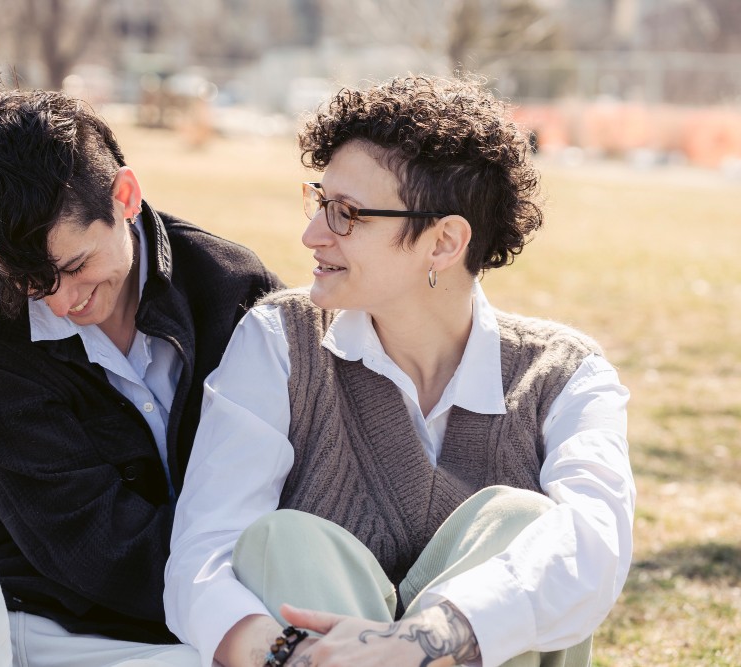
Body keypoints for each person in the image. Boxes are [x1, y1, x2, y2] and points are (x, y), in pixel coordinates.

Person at [163, 74, 635, 667]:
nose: (312, 234)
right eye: (319, 201)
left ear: (443, 243)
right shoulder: (279, 343)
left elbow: (598, 546)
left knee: (525, 523)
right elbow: (202, 558)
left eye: (348, 214)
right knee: (281, 541)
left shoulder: (565, 376)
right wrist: (293, 654)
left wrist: (422, 640)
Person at [0, 75, 282, 667]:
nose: (61, 303)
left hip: (167, 639)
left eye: (74, 265)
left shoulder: (232, 291)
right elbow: (86, 536)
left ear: (124, 196)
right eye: (29, 282)